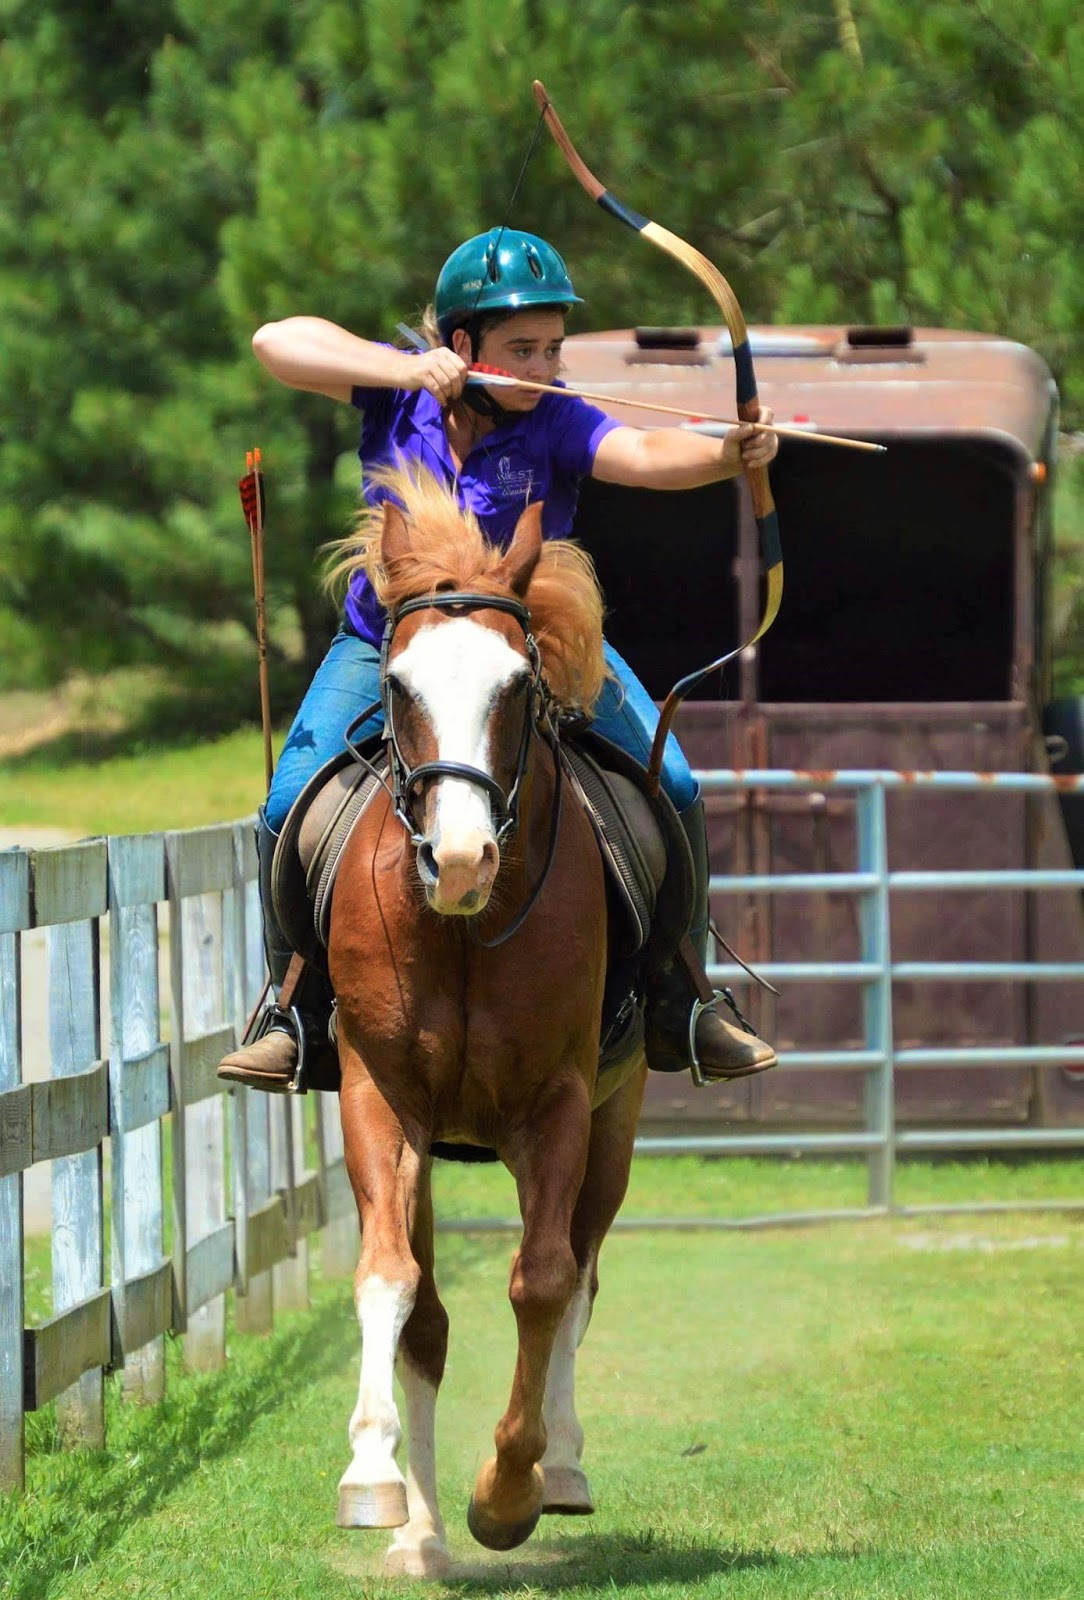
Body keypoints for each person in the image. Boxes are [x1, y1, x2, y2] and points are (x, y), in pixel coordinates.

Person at [218, 227, 779, 1093]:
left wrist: (725, 451)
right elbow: (275, 343)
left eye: (553, 348)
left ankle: (686, 1000)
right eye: (523, 348)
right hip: (387, 644)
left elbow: (641, 455)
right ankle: (293, 1009)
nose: (544, 366)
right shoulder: (395, 393)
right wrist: (408, 371)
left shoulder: (556, 419)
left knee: (675, 788)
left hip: (536, 651)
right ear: (462, 344)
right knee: (290, 798)